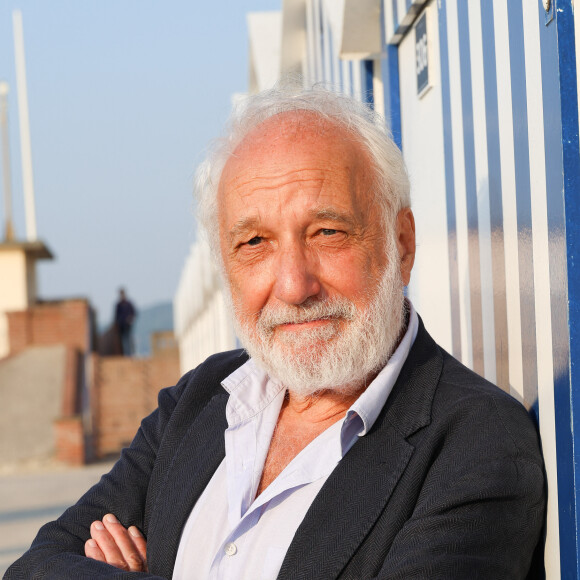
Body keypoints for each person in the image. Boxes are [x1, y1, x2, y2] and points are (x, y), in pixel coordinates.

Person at [6, 85, 545, 579]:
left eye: (328, 232)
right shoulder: (201, 400)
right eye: (255, 243)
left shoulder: (477, 442)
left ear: (400, 243)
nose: (293, 285)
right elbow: (37, 566)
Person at [115, 288, 136, 356]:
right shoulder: (118, 305)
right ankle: (127, 354)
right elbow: (116, 316)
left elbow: (134, 313)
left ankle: (131, 354)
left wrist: (130, 319)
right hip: (122, 326)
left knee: (129, 339)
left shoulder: (128, 304)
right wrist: (118, 324)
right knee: (124, 340)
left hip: (128, 325)